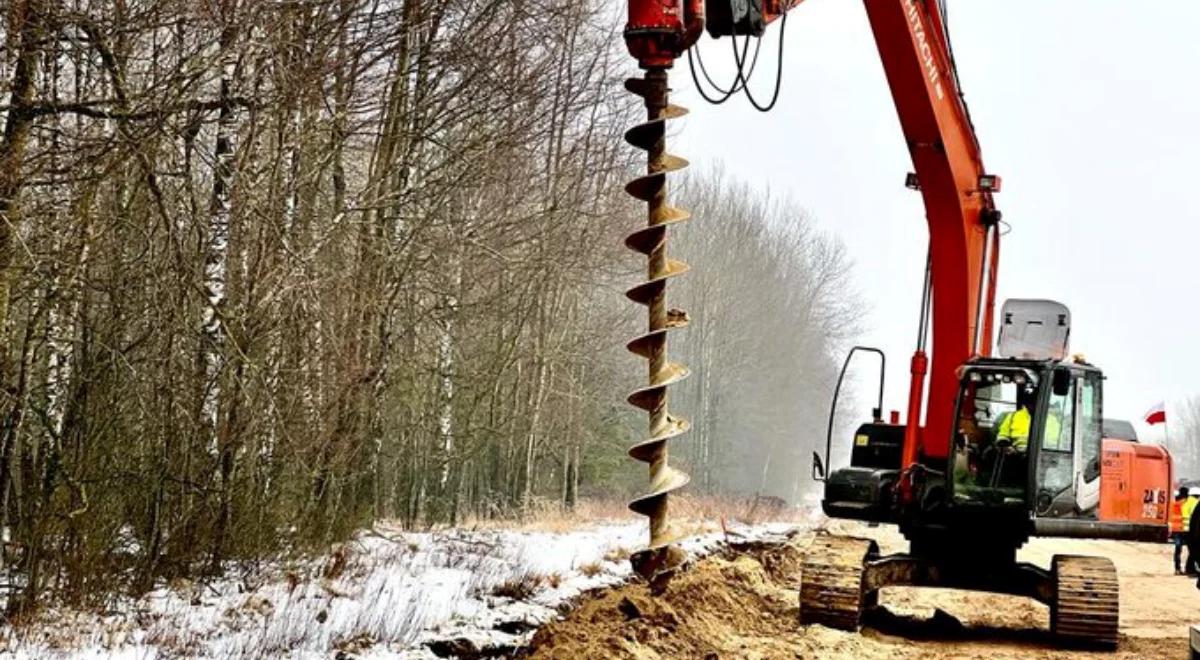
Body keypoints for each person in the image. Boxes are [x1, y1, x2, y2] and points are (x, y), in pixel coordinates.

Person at [1171, 487, 1188, 574]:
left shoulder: (1174, 503)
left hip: (1176, 530)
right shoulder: (1185, 503)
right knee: (1190, 550)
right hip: (1184, 530)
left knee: (1178, 550)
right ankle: (1188, 568)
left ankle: (1177, 569)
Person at [1186, 488, 1200, 576]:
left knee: (1192, 553)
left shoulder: (1185, 502)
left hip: (1189, 531)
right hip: (1193, 532)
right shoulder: (1195, 503)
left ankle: (1190, 569)